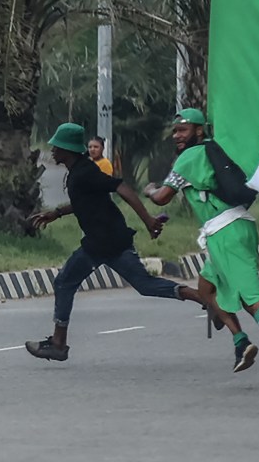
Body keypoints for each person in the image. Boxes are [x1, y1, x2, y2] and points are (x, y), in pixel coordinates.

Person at [146, 109, 259, 390]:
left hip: (225, 233)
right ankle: (240, 342)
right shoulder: (216, 150)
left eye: (183, 130)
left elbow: (162, 198)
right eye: (175, 131)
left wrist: (149, 190)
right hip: (235, 226)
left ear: (200, 130)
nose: (177, 136)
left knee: (251, 298)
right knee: (206, 289)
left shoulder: (189, 157)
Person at [25, 122, 212, 363]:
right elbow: (86, 202)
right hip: (114, 238)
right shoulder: (80, 172)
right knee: (145, 285)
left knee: (64, 282)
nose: (52, 150)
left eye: (57, 147)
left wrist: (147, 220)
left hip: (101, 241)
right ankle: (201, 298)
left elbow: (121, 187)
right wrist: (57, 213)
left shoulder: (85, 172)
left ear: (67, 150)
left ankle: (58, 344)